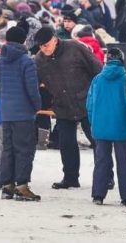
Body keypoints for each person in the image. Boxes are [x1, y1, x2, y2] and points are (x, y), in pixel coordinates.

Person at [33, 26, 101, 190]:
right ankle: (70, 177)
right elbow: (35, 83)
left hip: (86, 103)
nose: (44, 49)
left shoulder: (75, 47)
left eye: (47, 45)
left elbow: (97, 69)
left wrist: (98, 96)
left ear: (55, 40)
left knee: (98, 142)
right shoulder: (39, 60)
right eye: (41, 46)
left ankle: (105, 176)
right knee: (66, 144)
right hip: (62, 105)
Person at [86, 47, 126, 206]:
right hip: (122, 128)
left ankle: (98, 195)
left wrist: (93, 122)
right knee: (124, 162)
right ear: (122, 61)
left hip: (100, 128)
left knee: (101, 161)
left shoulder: (97, 79)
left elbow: (89, 105)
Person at [0, 25, 41, 201]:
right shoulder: (26, 61)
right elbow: (32, 89)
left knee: (8, 148)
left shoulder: (0, 60)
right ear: (23, 40)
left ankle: (7, 186)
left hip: (6, 112)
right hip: (23, 113)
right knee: (24, 149)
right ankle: (22, 185)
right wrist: (37, 106)